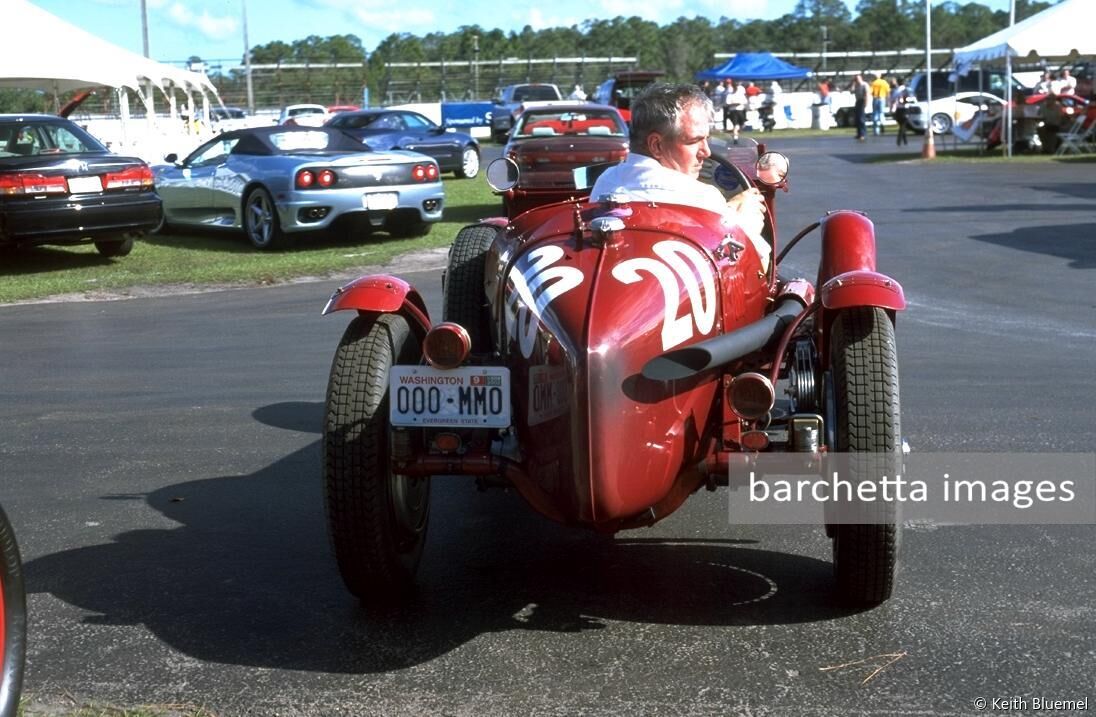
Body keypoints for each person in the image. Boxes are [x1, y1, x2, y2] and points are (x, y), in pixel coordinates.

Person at [590, 83, 770, 269]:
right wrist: (744, 225)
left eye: (706, 140)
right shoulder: (700, 196)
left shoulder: (605, 182)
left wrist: (729, 212)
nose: (706, 152)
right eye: (694, 142)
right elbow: (755, 269)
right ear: (656, 146)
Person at [723, 79, 747, 143]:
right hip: (734, 111)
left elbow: (744, 101)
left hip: (739, 110)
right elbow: (727, 103)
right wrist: (735, 104)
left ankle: (736, 135)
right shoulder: (730, 94)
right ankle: (735, 137)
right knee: (736, 125)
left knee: (740, 125)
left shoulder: (740, 94)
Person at [851, 74, 868, 142]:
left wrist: (866, 103)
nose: (857, 80)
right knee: (857, 118)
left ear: (861, 78)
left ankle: (862, 134)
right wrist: (853, 83)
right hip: (857, 101)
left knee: (861, 119)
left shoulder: (864, 85)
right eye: (856, 79)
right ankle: (858, 134)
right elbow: (851, 91)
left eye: (857, 79)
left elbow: (867, 94)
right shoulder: (856, 85)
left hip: (862, 101)